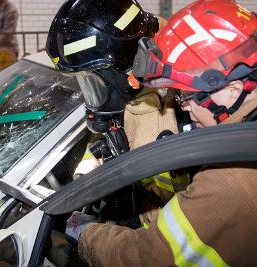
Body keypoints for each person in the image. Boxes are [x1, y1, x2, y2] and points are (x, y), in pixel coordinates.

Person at [77, 0, 257, 266]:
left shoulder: (232, 179)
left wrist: (85, 235)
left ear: (231, 89)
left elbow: (148, 259)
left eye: (186, 96)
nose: (185, 108)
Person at [46, 0, 188, 228]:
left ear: (127, 61)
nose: (93, 94)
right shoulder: (133, 96)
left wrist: (135, 224)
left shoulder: (189, 99)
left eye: (93, 79)